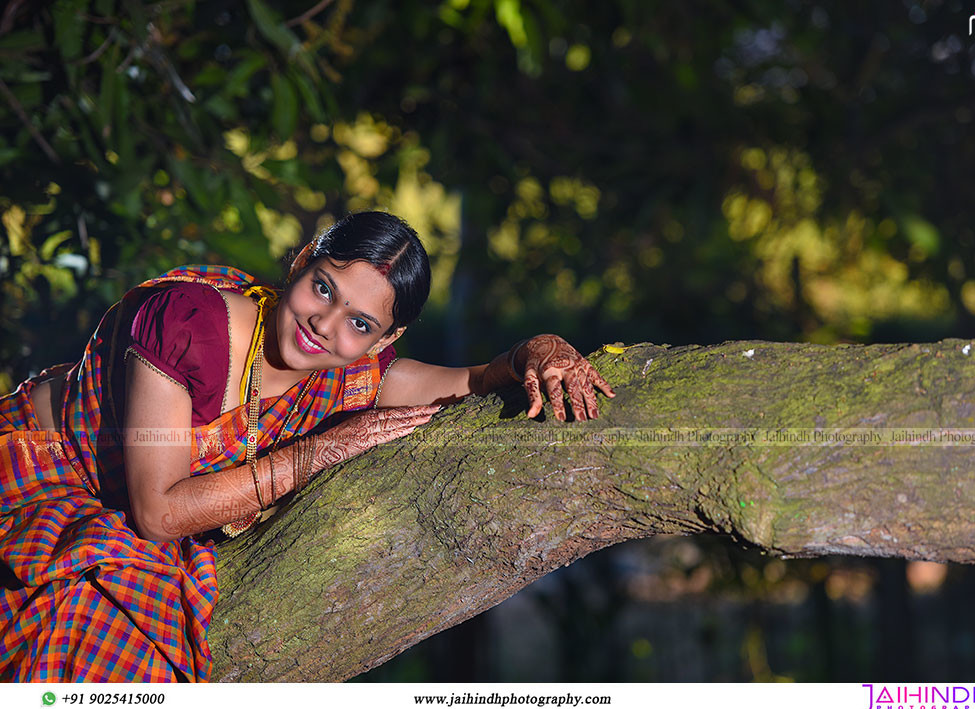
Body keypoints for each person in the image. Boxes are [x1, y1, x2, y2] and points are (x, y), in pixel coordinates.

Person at [0, 211, 615, 681]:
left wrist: (541, 348)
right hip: (34, 474)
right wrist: (311, 455)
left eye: (360, 324)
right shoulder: (188, 321)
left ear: (384, 339)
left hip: (121, 515)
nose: (326, 325)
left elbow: (480, 380)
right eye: (324, 289)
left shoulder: (351, 378)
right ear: (300, 261)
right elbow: (159, 513)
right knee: (86, 618)